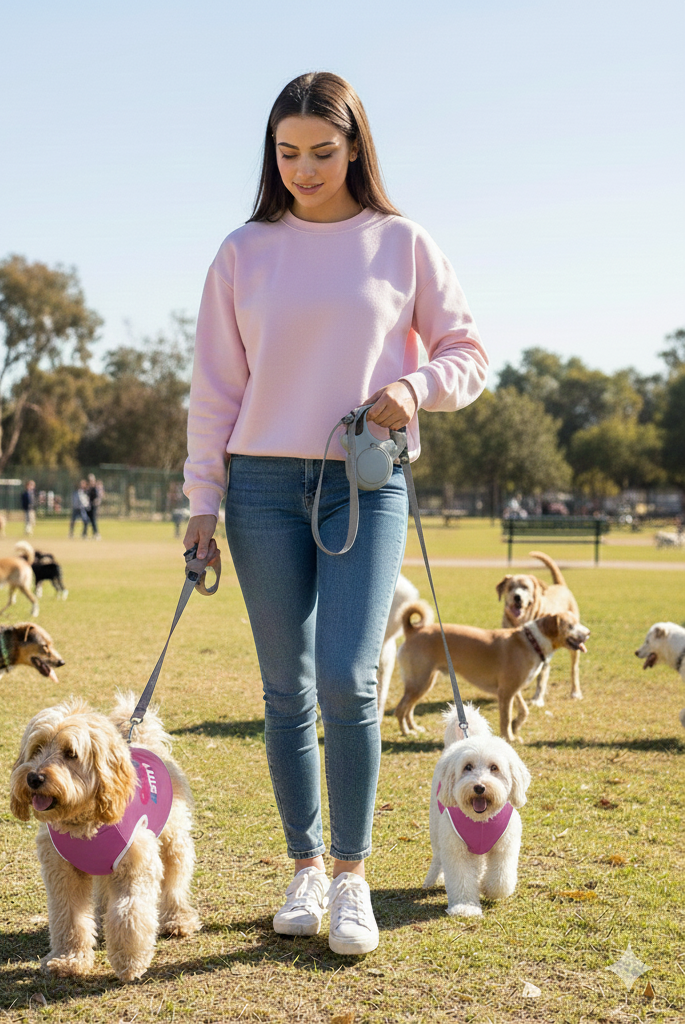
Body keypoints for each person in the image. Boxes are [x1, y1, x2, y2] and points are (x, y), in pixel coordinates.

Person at [182, 72, 488, 956]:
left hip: (366, 481)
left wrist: (412, 385)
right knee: (286, 689)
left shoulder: (402, 242)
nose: (305, 168)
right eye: (288, 152)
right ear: (271, 154)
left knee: (352, 679)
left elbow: (468, 351)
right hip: (262, 488)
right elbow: (214, 391)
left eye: (322, 150)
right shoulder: (242, 251)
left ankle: (353, 877)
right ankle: (305, 865)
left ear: (355, 146)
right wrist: (203, 502)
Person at [85, 473, 103, 539]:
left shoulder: (95, 488)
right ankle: (85, 533)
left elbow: (99, 496)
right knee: (87, 520)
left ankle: (96, 533)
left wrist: (96, 502)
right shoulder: (88, 488)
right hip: (88, 506)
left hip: (94, 506)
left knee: (93, 520)